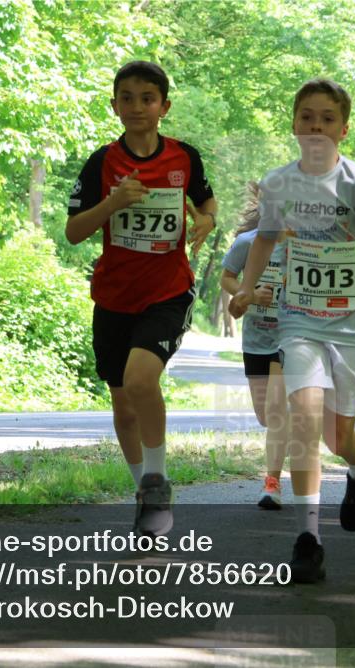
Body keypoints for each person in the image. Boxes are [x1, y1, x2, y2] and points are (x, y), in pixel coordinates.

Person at [228, 78, 355, 583]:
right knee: (304, 417)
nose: (315, 126)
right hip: (300, 319)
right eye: (307, 116)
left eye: (327, 118)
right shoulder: (279, 184)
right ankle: (308, 538)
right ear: (293, 124)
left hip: (354, 326)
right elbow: (265, 241)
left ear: (343, 129)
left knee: (338, 435)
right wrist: (246, 290)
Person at [66, 61, 217, 536]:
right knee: (123, 404)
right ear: (114, 106)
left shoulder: (184, 158)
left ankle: (157, 479)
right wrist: (111, 203)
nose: (136, 107)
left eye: (147, 98)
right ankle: (143, 492)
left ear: (163, 107)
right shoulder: (101, 162)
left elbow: (207, 203)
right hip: (113, 296)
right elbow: (73, 232)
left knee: (140, 378)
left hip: (168, 291)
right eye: (126, 98)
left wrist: (207, 221)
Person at [221, 182, 288, 509]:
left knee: (278, 413)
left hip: (290, 336)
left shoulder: (301, 244)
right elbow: (227, 278)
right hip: (257, 337)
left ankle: (272, 483)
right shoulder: (247, 243)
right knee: (265, 415)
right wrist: (247, 293)